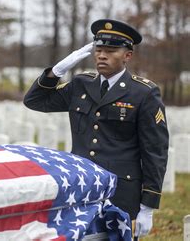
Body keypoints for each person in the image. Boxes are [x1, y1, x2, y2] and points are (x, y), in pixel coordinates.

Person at [23, 19, 169, 238]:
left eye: (110, 51)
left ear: (127, 55)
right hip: (82, 189)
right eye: (98, 50)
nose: (102, 55)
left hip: (121, 192)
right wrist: (56, 71)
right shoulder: (81, 84)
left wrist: (148, 206)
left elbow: (155, 152)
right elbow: (35, 101)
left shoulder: (143, 93)